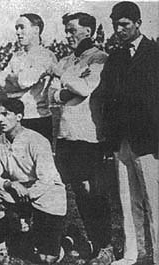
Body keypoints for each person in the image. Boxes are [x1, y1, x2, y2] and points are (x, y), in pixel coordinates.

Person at [51, 12, 113, 265]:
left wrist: (62, 77)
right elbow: (53, 96)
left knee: (91, 190)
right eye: (66, 30)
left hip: (88, 134)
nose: (68, 35)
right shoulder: (68, 60)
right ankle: (89, 241)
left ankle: (105, 246)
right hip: (66, 134)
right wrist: (67, 90)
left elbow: (87, 88)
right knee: (76, 189)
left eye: (72, 30)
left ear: (88, 31)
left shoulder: (99, 58)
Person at [99, 2, 159, 264]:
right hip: (121, 140)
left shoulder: (155, 53)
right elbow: (107, 98)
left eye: (124, 24)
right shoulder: (115, 57)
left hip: (148, 140)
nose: (119, 30)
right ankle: (133, 253)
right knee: (127, 200)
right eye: (115, 25)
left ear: (138, 23)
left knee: (153, 201)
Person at [0, 98, 66, 265]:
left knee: (45, 259)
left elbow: (47, 179)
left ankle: (62, 242)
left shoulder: (37, 140)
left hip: (48, 195)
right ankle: (0, 250)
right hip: (18, 190)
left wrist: (28, 195)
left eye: (5, 114)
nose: (0, 119)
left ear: (19, 116)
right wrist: (11, 184)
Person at [4, 13, 57, 142]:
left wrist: (11, 79)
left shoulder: (46, 56)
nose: (18, 32)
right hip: (16, 118)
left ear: (36, 30)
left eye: (22, 27)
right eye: (16, 28)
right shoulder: (16, 56)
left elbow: (24, 81)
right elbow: (0, 84)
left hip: (37, 118)